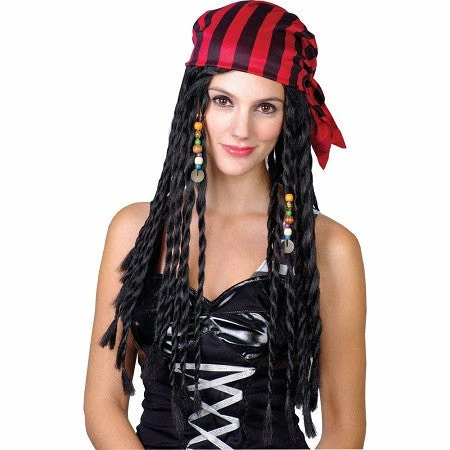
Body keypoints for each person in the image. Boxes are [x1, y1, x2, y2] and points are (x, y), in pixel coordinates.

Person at [84, 1, 366, 448]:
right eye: (223, 101)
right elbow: (103, 404)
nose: (241, 129)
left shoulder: (329, 246)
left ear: (289, 117)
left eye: (265, 107)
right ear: (196, 103)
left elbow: (345, 427)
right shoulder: (135, 230)